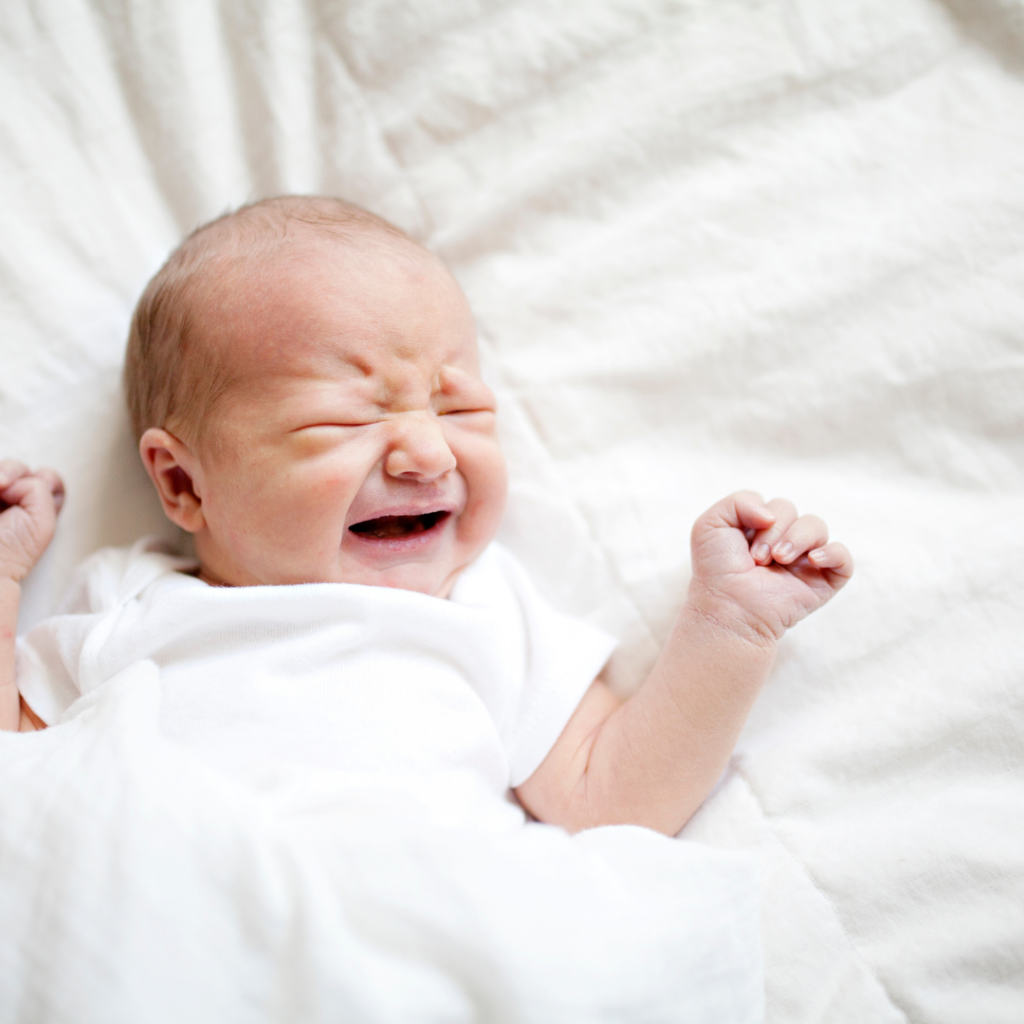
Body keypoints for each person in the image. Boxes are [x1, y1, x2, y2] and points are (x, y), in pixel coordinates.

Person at [0, 196, 852, 835]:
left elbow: (613, 802)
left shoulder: (489, 612)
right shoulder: (128, 600)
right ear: (184, 483)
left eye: (460, 409)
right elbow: (19, 764)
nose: (429, 455)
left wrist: (729, 627)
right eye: (345, 419)